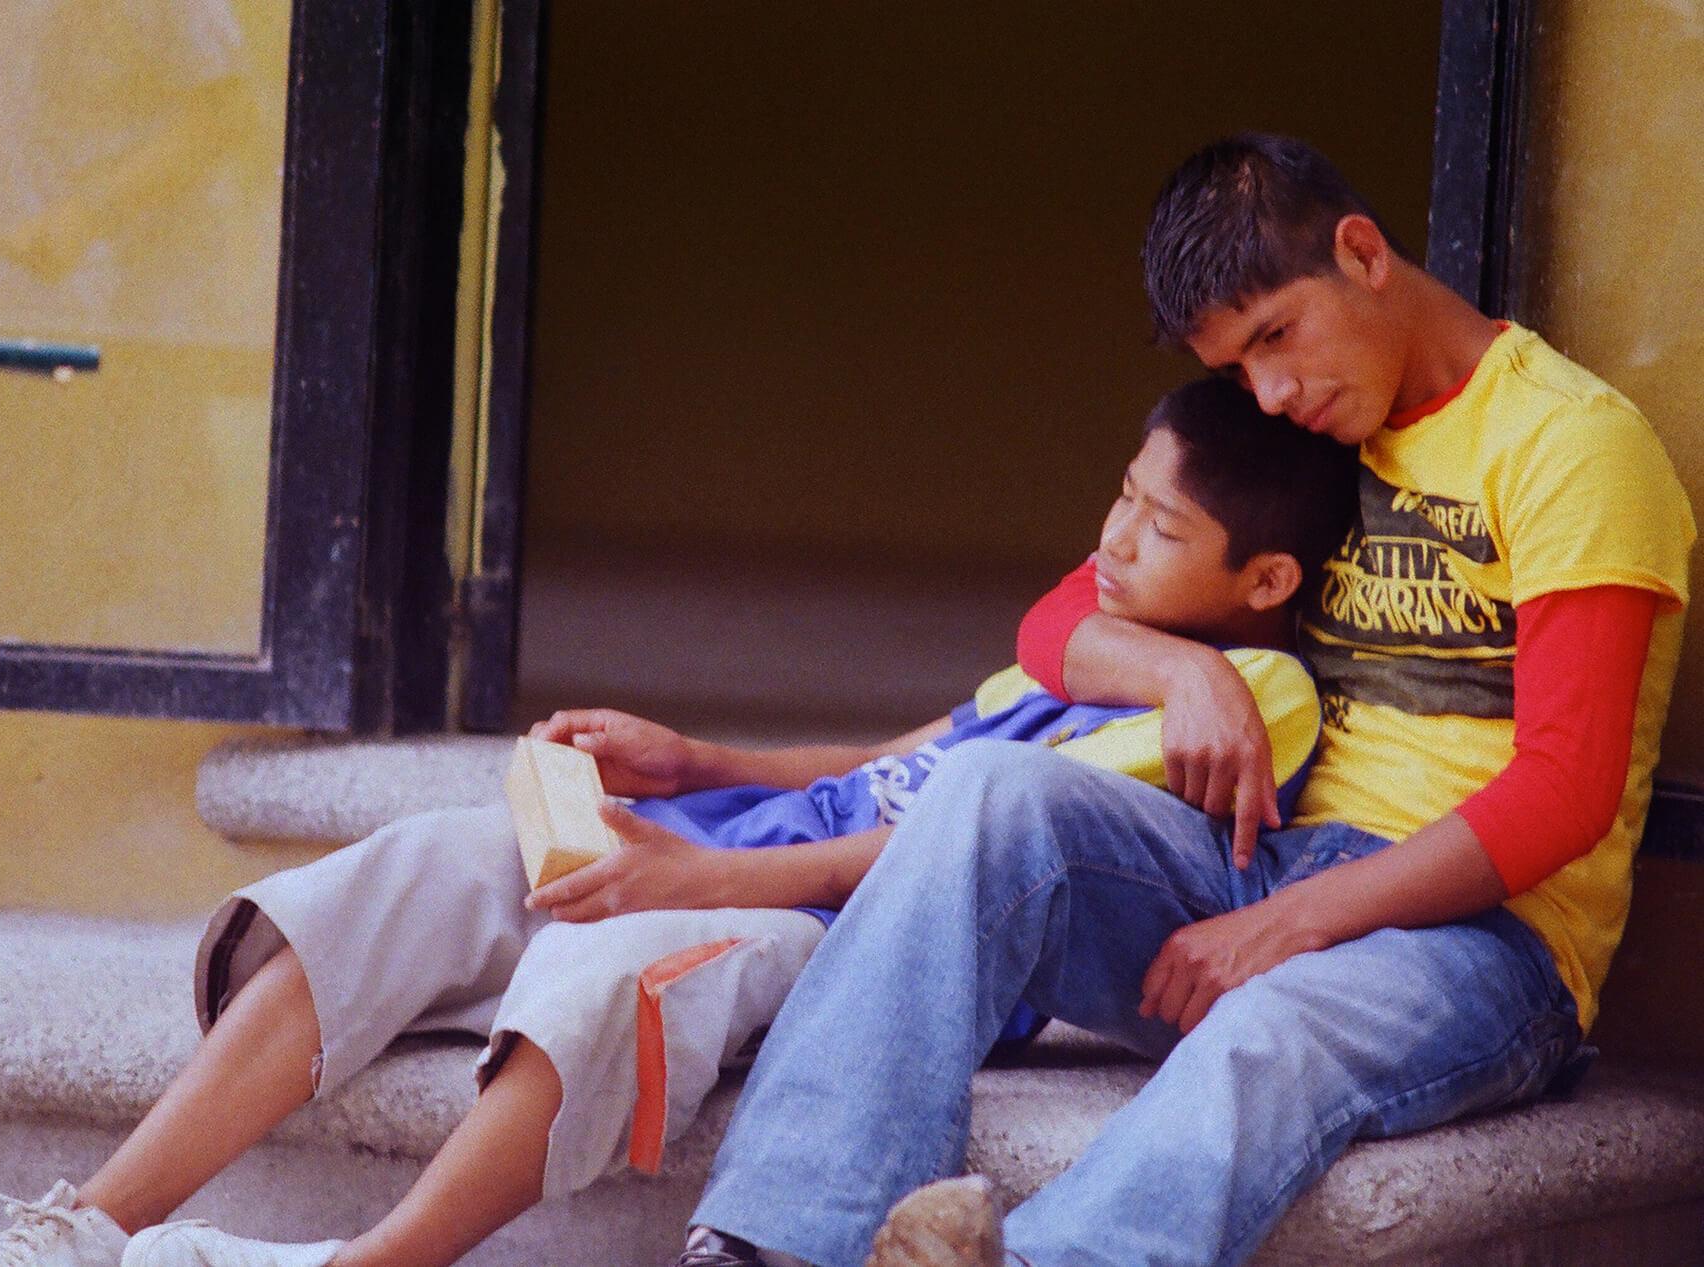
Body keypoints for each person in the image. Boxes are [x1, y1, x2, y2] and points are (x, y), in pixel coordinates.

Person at [0, 377, 1355, 1267]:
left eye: (1158, 530)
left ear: (1262, 577)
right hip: (756, 831)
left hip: (845, 924)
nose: (1111, 540)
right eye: (1118, 498)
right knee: (422, 862)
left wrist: (710, 862)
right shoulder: (1097, 640)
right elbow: (902, 759)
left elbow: (986, 852)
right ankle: (89, 1220)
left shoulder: (1253, 700)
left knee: (611, 968)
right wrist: (694, 761)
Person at [670, 132, 1694, 1267]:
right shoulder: (1301, 435)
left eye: (1276, 337)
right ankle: (779, 1239)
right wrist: (1185, 669)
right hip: (1252, 862)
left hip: (1482, 945)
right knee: (990, 790)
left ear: (1361, 253)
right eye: (1240, 366)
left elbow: (1568, 790)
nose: (1272, 390)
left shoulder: (1570, 444)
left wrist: (1287, 925)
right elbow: (1056, 629)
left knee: (1273, 1026)